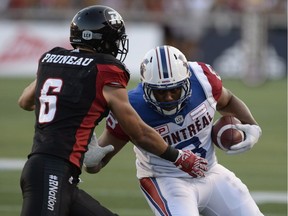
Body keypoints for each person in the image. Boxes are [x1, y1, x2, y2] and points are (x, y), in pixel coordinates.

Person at [17, 5, 208, 216]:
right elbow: (139, 133)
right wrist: (178, 157)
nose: (118, 45)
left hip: (58, 174)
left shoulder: (51, 59)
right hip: (51, 171)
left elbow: (25, 101)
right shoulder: (106, 70)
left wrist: (73, 109)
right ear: (103, 40)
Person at [85, 45, 263, 215]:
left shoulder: (202, 78)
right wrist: (91, 161)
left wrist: (253, 126)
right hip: (167, 180)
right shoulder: (133, 106)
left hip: (211, 171)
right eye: (160, 93)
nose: (169, 97)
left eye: (174, 90)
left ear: (186, 82)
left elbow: (228, 100)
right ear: (146, 88)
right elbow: (98, 162)